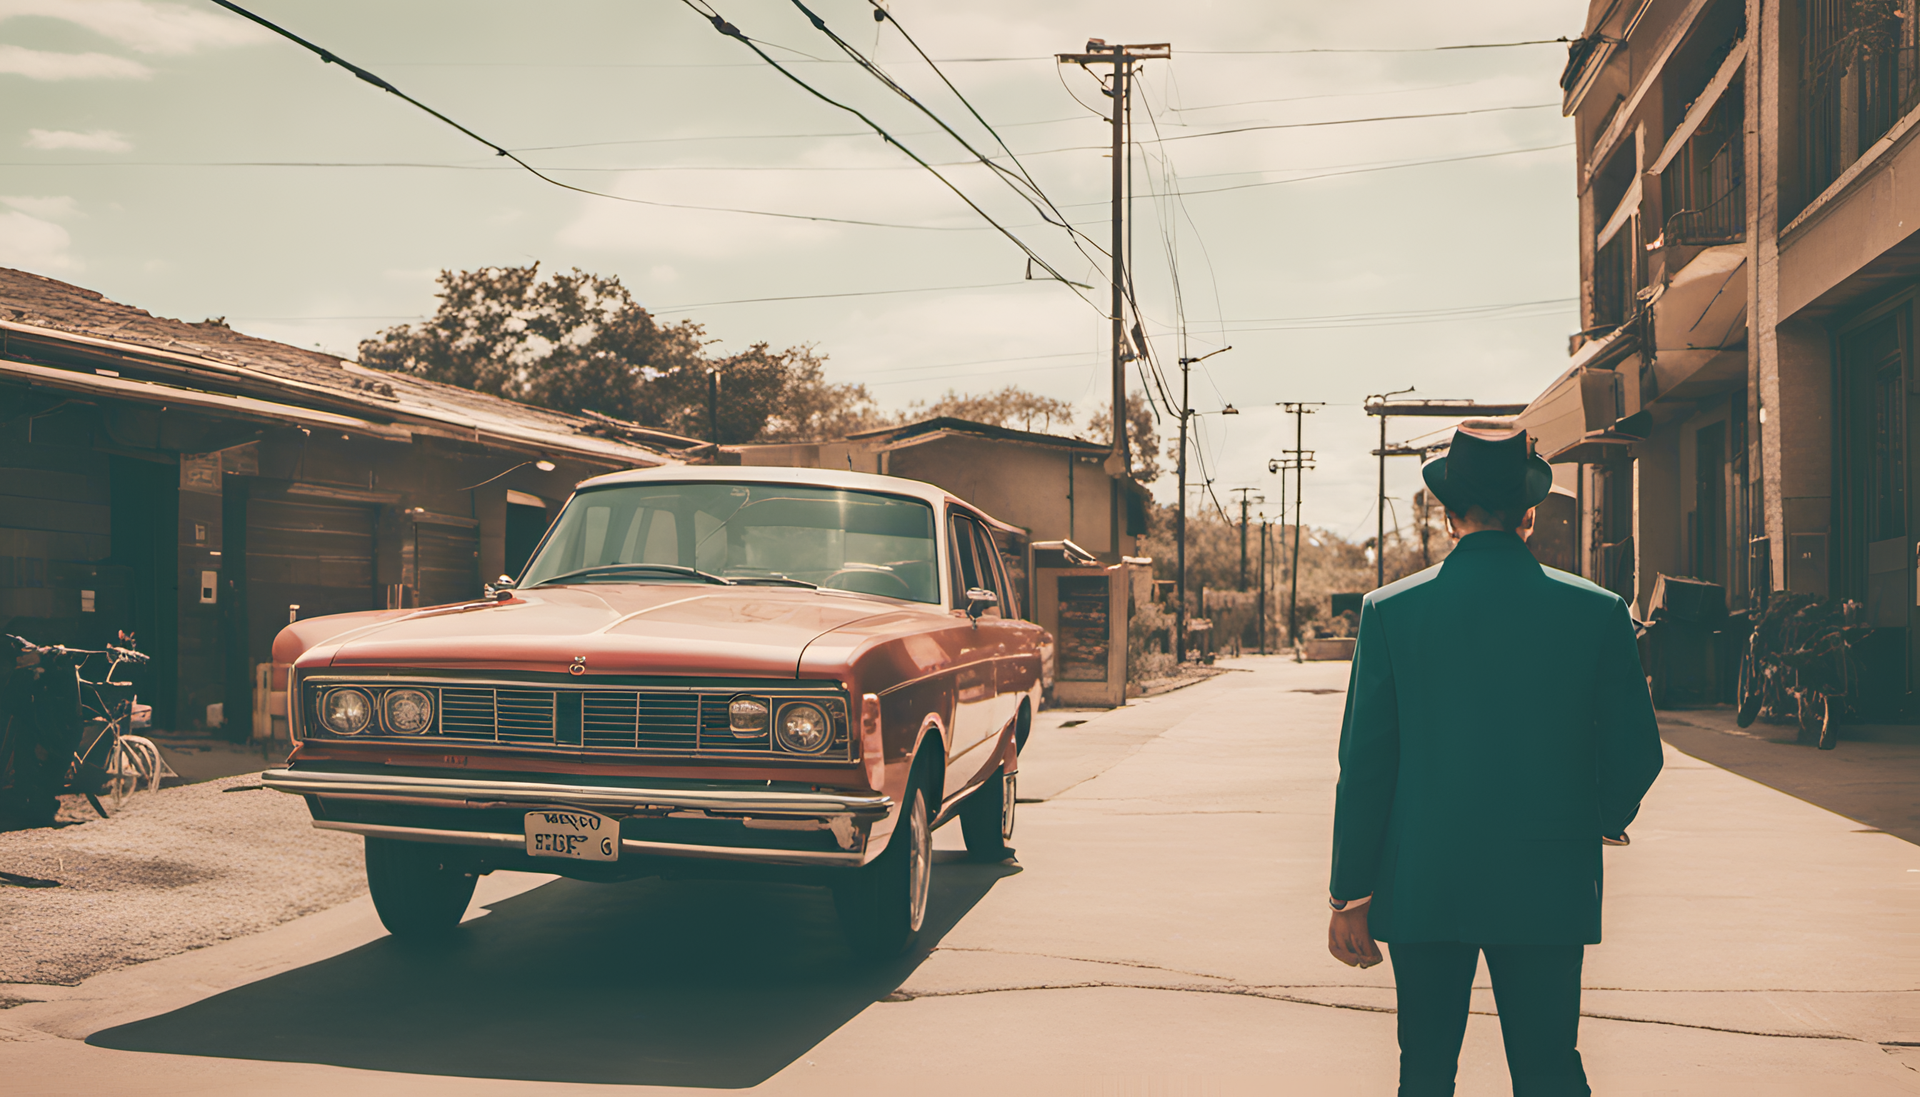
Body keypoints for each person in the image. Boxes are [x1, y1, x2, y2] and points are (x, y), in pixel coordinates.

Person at [1326, 420, 1664, 1096]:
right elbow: (1636, 750)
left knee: (1424, 1068)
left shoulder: (1391, 612)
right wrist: (1596, 815)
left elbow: (1365, 765)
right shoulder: (1597, 612)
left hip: (1426, 877)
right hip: (1548, 877)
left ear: (1448, 515)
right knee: (1548, 1066)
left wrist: (1350, 893)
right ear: (1530, 515)